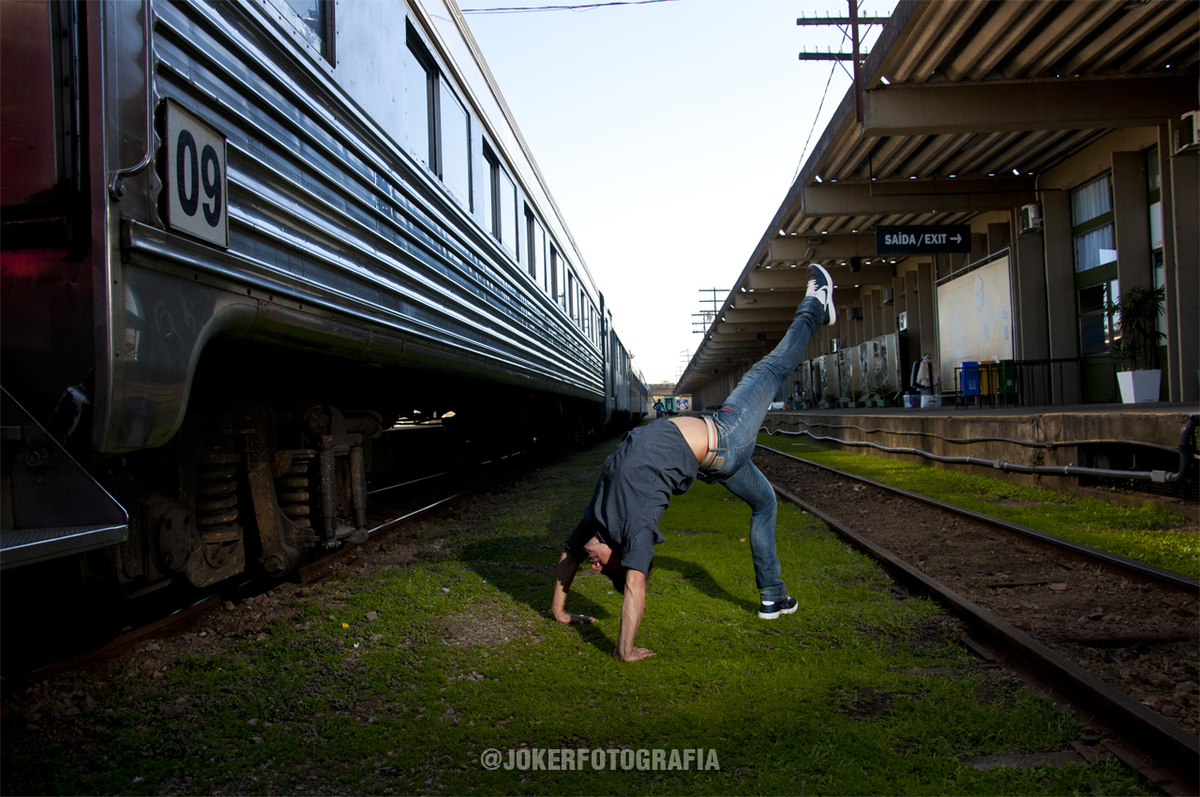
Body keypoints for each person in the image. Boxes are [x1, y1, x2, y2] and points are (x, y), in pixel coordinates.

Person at [550, 264, 836, 661]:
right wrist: (624, 651)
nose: (592, 567)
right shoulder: (637, 525)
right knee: (769, 367)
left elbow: (568, 555)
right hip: (726, 437)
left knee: (765, 503)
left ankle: (773, 597)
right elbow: (635, 584)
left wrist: (559, 612)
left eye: (594, 565)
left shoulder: (594, 523)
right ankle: (816, 303)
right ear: (622, 554)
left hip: (717, 461)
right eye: (602, 569)